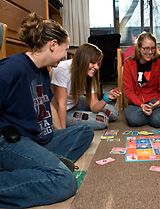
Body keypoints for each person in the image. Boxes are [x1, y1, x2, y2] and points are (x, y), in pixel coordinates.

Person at [0, 13, 94, 208]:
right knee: (65, 181)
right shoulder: (11, 68)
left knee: (85, 131)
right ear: (53, 45)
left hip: (38, 138)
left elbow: (49, 106)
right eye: (65, 50)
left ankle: (41, 166)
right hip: (11, 142)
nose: (66, 56)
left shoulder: (43, 70)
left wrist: (60, 133)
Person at [50, 43, 121, 130]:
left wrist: (106, 98)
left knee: (113, 113)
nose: (96, 67)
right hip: (62, 110)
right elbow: (62, 105)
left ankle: (80, 114)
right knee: (101, 120)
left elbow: (94, 107)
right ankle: (77, 116)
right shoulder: (62, 70)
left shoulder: (90, 75)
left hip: (76, 101)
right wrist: (63, 132)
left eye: (98, 64)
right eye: (93, 63)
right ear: (83, 60)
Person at [123, 32, 160, 128]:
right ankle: (152, 118)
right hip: (136, 103)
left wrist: (158, 103)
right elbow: (129, 91)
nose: (150, 52)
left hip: (154, 101)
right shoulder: (128, 64)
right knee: (134, 119)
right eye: (146, 48)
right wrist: (141, 105)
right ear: (138, 47)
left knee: (157, 120)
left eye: (153, 48)